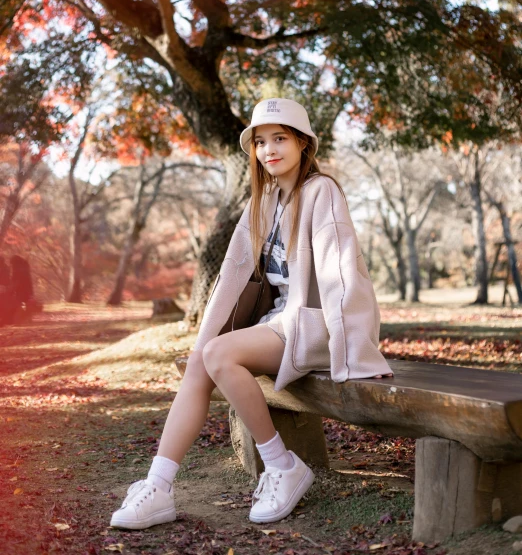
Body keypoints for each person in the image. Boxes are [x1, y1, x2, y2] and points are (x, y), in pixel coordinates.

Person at [110, 97, 393, 530]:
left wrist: (356, 350)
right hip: (277, 324)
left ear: (303, 143)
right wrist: (208, 336)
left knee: (220, 356)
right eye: (260, 142)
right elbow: (231, 276)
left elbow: (341, 273)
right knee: (202, 361)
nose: (269, 150)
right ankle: (159, 487)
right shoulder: (263, 201)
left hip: (312, 326)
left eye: (279, 139)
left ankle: (282, 466)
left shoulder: (321, 192)